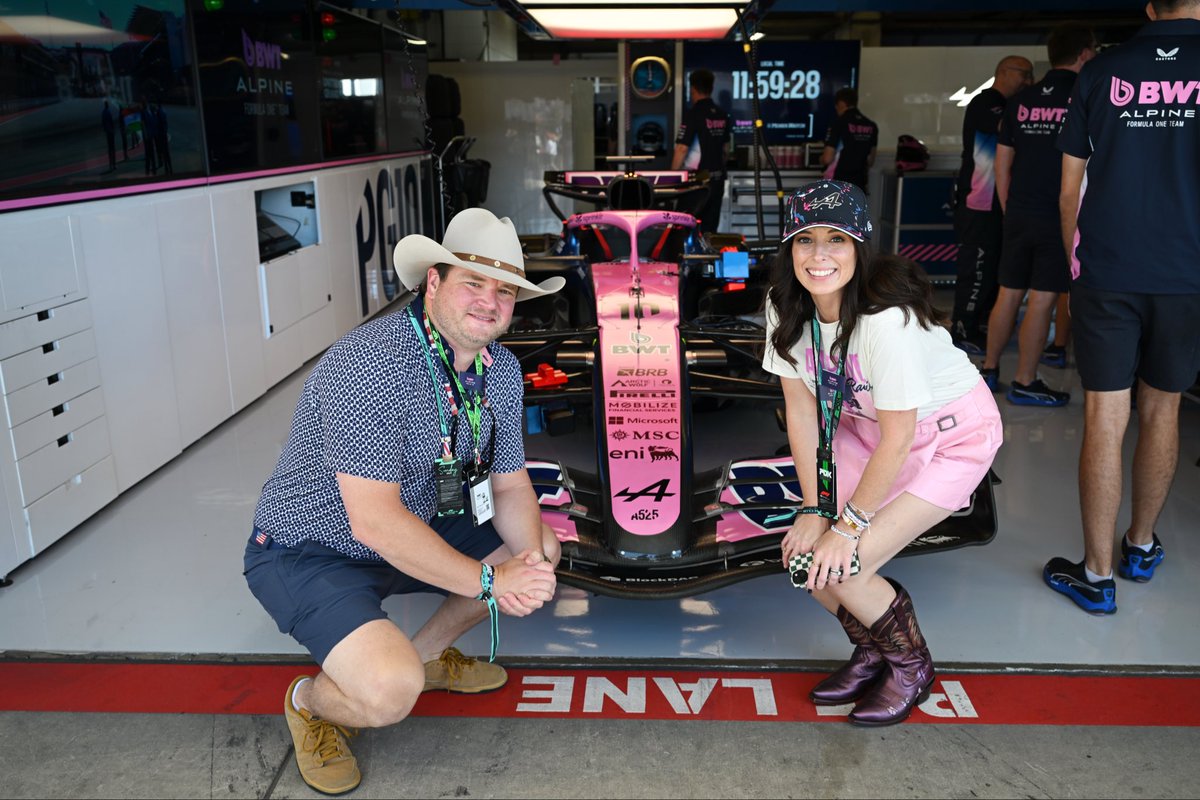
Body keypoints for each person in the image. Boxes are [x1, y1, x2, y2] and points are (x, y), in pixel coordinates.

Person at [244, 207, 566, 794]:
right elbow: (372, 522)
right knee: (389, 696)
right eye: (473, 282)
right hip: (314, 547)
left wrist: (532, 568)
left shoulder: (502, 368)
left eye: (505, 291)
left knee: (539, 545)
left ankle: (424, 658)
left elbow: (510, 484)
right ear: (434, 283)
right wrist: (495, 584)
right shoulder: (372, 361)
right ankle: (311, 703)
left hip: (421, 521)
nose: (489, 302)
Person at [763, 180, 1002, 726]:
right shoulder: (784, 306)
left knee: (842, 564)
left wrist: (846, 528)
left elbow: (902, 437)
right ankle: (873, 651)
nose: (819, 256)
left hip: (949, 437)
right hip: (865, 428)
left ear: (860, 247)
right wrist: (813, 507)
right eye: (805, 240)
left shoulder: (882, 320)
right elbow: (800, 412)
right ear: (788, 248)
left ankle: (911, 664)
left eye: (836, 240)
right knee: (805, 560)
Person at [1045, 0, 1200, 615]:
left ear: (1148, 6)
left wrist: (1077, 270)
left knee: (1105, 417)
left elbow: (1068, 190)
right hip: (1187, 274)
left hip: (1106, 270)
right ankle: (1139, 546)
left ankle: (1097, 574)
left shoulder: (1101, 71)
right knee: (1163, 409)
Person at [980, 24, 1097, 406]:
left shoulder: (1021, 99)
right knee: (1043, 299)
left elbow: (1002, 162)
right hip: (1057, 213)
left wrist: (1007, 208)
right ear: (1083, 54)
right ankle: (1026, 382)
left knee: (1008, 291)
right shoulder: (1084, 96)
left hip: (1018, 211)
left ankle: (990, 368)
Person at [950, 55, 1034, 355]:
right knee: (978, 267)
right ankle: (962, 328)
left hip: (997, 203)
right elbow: (1010, 128)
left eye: (1031, 76)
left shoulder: (1009, 106)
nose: (1028, 81)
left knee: (993, 269)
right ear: (1002, 72)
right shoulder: (986, 102)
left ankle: (980, 325)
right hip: (979, 202)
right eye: (1023, 74)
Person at [671, 67, 731, 233]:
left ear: (693, 89)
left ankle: (688, 258)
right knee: (710, 228)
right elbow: (726, 150)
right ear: (711, 88)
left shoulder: (693, 114)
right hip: (717, 179)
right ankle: (708, 259)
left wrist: (672, 177)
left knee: (685, 225)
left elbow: (682, 149)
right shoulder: (722, 115)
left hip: (696, 181)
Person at [820, 87, 879, 194]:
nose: (836, 108)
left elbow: (828, 158)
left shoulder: (838, 123)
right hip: (859, 185)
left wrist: (821, 159)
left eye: (836, 105)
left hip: (837, 185)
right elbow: (870, 161)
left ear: (841, 103)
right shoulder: (871, 126)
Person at [101, 101, 116, 173]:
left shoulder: (104, 112)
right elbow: (111, 121)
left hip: (108, 131)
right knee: (112, 148)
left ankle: (111, 164)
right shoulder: (108, 112)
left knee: (110, 149)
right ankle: (114, 164)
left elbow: (103, 122)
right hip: (110, 131)